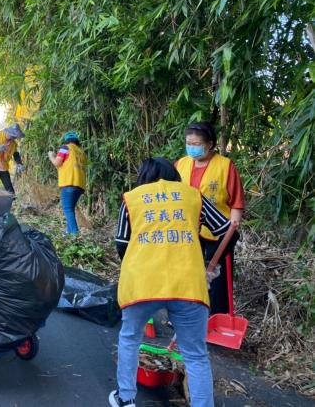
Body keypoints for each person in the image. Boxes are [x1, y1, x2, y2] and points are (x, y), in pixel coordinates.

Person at [109, 157, 230, 407]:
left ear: (144, 175)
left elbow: (122, 244)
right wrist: (209, 265)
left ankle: (125, 399)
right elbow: (227, 230)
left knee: (130, 338)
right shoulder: (193, 196)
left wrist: (134, 265)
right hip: (188, 285)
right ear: (174, 175)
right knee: (195, 354)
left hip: (142, 284)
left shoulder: (132, 198)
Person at [175, 121, 245, 315]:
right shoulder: (181, 164)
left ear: (210, 144)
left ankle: (218, 316)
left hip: (219, 231)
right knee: (188, 272)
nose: (192, 147)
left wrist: (233, 228)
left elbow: (236, 200)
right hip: (187, 229)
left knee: (218, 277)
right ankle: (188, 313)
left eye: (196, 144)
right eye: (189, 143)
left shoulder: (225, 166)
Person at [48, 131, 87, 235]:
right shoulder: (81, 151)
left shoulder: (66, 147)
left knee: (67, 209)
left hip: (69, 182)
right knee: (70, 209)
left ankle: (75, 235)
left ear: (66, 140)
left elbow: (57, 163)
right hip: (80, 185)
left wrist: (51, 156)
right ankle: (68, 233)